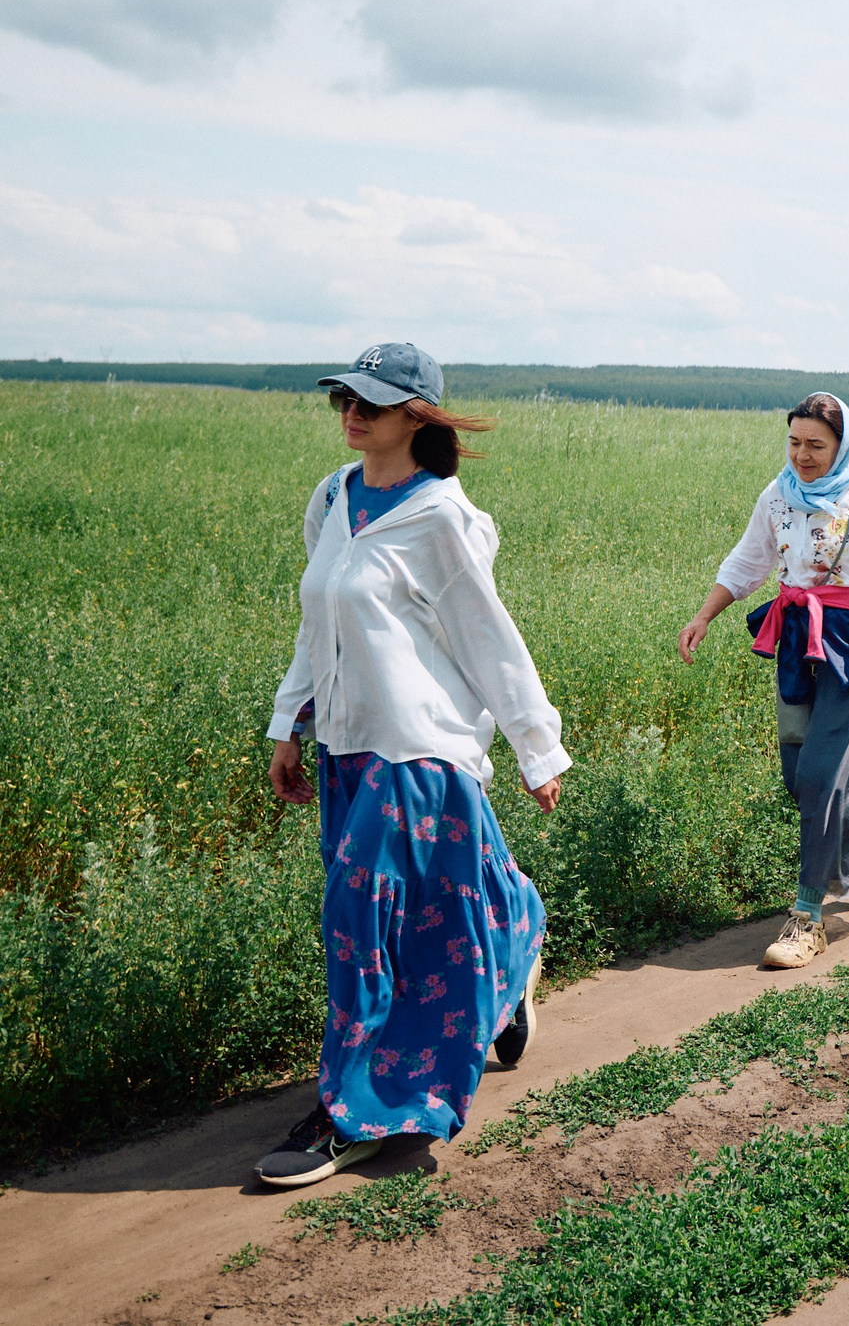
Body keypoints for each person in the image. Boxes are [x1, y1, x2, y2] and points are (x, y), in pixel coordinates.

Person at [255, 343, 562, 1188]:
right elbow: (320, 627)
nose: (351, 413)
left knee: (360, 924)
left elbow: (489, 638)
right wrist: (292, 721)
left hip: (419, 749)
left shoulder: (442, 518)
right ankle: (514, 938)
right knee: (412, 915)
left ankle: (360, 1112)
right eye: (343, 398)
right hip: (347, 747)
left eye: (373, 403)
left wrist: (538, 746)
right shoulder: (332, 498)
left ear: (417, 416)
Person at [680, 394, 849, 968]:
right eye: (794, 442)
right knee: (801, 776)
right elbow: (747, 563)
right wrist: (703, 615)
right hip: (801, 643)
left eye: (815, 444)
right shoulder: (777, 496)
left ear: (841, 446)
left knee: (823, 776)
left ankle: (806, 918)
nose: (802, 455)